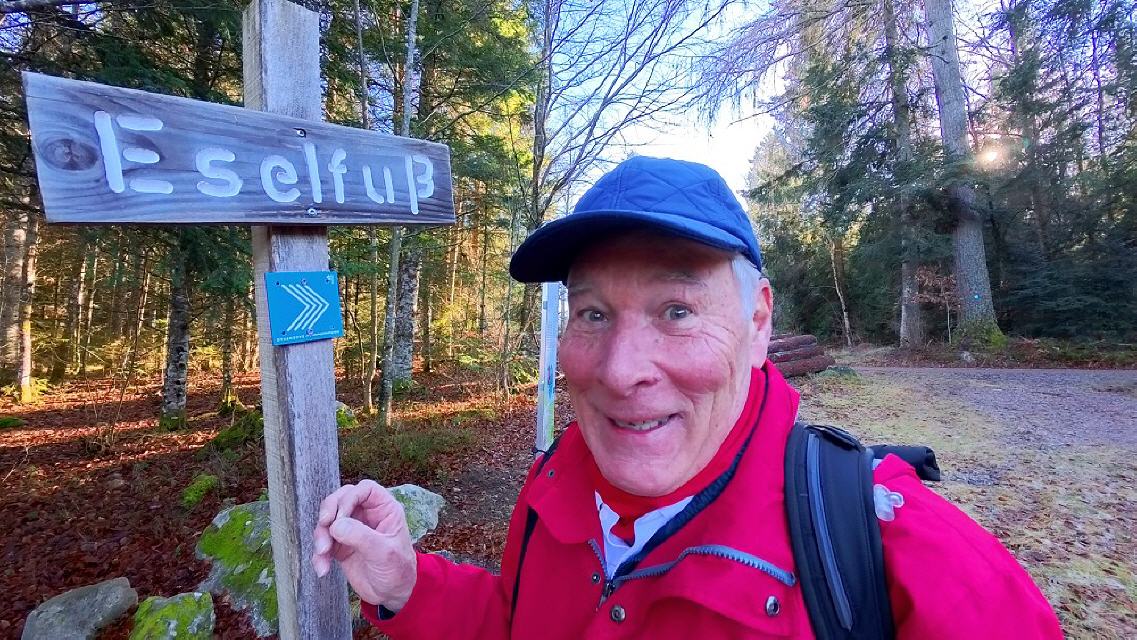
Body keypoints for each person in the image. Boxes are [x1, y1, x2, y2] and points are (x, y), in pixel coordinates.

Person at [312, 156, 1063, 638]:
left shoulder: (904, 561)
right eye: (592, 314)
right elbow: (520, 622)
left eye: (676, 311)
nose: (619, 371)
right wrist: (408, 584)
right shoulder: (556, 485)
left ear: (757, 322)